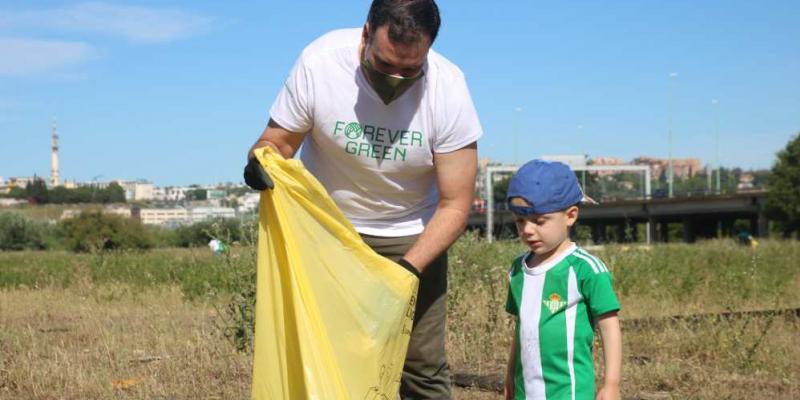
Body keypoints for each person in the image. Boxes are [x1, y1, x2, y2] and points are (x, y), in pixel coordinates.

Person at [244, 0, 482, 397]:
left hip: (413, 238)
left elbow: (455, 205)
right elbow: (277, 142)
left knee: (421, 365)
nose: (396, 78)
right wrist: (260, 161)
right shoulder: (320, 64)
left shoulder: (449, 87)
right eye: (384, 64)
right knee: (326, 351)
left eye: (410, 70)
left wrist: (406, 271)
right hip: (330, 237)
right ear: (366, 33)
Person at [502, 160, 622, 400]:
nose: (527, 230)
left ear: (570, 216)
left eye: (539, 221)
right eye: (520, 221)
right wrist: (509, 381)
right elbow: (521, 328)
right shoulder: (517, 270)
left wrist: (611, 384)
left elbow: (610, 327)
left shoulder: (586, 269)